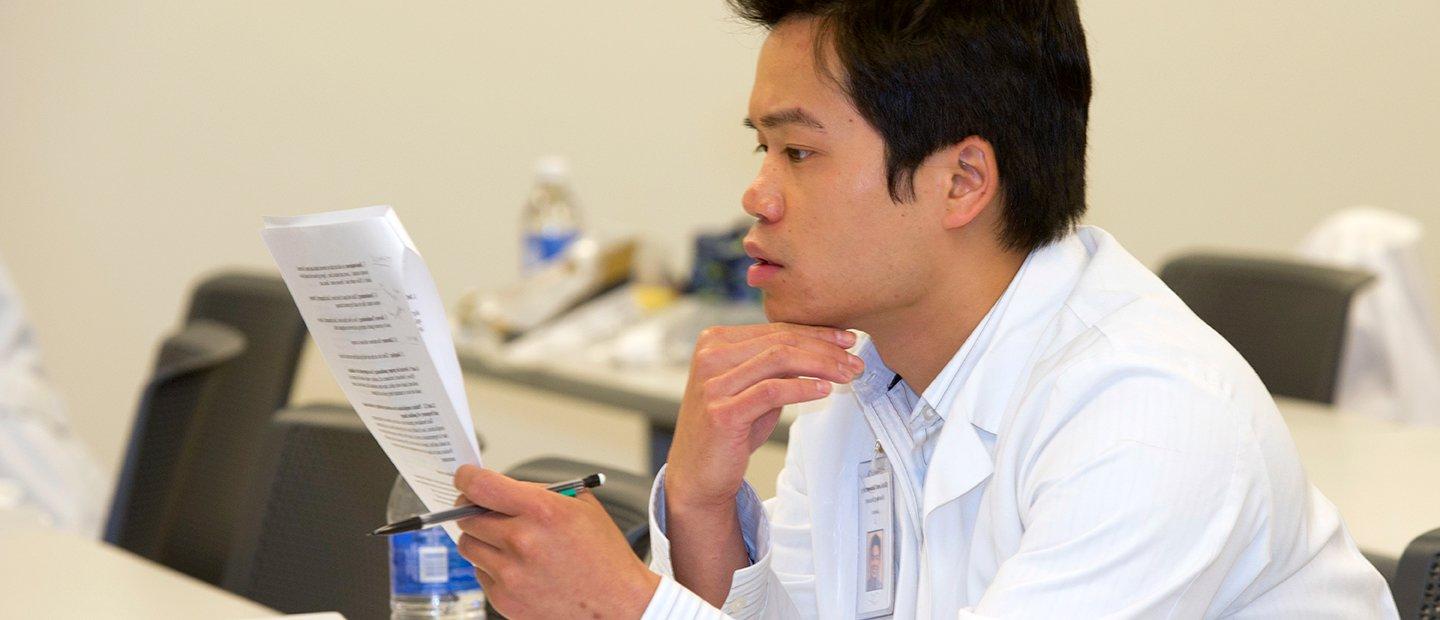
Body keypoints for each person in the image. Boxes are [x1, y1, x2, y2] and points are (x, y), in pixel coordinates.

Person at [449, 1, 1397, 617]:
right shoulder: (867, 376)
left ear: (962, 181)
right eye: (761, 151)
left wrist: (624, 604)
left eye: (799, 153)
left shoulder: (1149, 418)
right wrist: (700, 506)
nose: (757, 198)